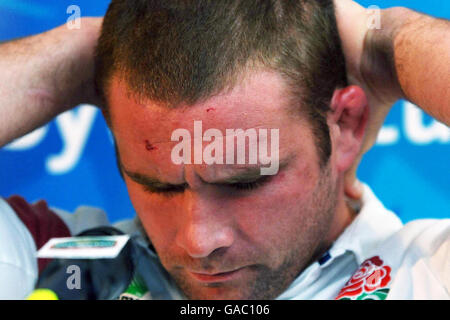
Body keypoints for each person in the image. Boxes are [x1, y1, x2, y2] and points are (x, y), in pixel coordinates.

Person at [0, 0, 448, 300]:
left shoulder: (427, 275)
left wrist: (385, 42)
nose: (199, 242)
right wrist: (86, 49)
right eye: (159, 186)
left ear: (346, 126)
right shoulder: (58, 263)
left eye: (244, 182)